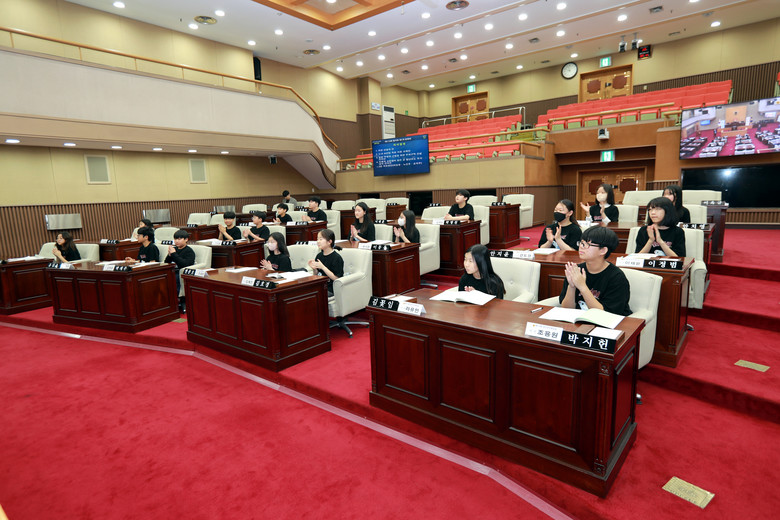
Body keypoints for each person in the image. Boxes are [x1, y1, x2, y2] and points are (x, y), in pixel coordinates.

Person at [559, 226, 632, 316]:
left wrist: (582, 287)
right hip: (580, 321)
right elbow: (566, 310)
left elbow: (605, 315)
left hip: (608, 322)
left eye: (587, 244)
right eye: (581, 243)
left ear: (603, 250)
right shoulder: (576, 270)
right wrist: (572, 286)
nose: (581, 247)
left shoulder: (617, 278)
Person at [165, 229, 196, 313]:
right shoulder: (174, 249)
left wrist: (174, 254)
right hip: (173, 270)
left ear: (186, 239)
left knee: (176, 277)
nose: (176, 241)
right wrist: (169, 255)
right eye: (175, 239)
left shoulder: (189, 251)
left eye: (179, 239)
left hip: (182, 272)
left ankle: (181, 301)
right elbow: (166, 263)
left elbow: (184, 265)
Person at [308, 229, 343, 296]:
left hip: (330, 288)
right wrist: (314, 269)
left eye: (321, 239)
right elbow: (316, 275)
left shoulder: (337, 258)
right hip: (320, 286)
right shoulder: (319, 255)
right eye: (317, 239)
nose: (318, 241)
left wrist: (323, 267)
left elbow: (337, 279)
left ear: (329, 242)